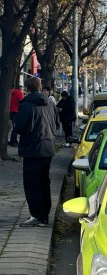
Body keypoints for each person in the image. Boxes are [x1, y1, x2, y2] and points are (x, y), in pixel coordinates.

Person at [15, 77, 58, 227]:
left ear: (27, 89)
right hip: (48, 148)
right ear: (40, 87)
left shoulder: (27, 105)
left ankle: (37, 216)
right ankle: (45, 215)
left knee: (32, 184)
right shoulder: (50, 103)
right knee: (44, 181)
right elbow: (56, 125)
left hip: (32, 149)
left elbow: (19, 127)